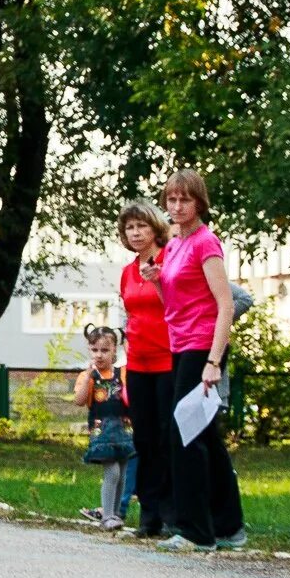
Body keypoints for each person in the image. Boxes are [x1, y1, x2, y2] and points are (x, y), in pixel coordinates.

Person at [147, 169, 245, 553]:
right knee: (205, 436)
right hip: (180, 343)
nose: (176, 206)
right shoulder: (173, 244)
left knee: (183, 433)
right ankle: (229, 526)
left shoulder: (207, 243)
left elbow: (226, 305)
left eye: (184, 199)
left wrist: (214, 361)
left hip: (203, 346)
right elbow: (173, 305)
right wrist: (156, 280)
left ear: (199, 202)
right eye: (171, 199)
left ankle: (196, 531)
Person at [116, 201, 172, 537]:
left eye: (141, 226)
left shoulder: (168, 261)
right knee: (145, 439)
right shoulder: (127, 271)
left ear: (154, 228)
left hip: (168, 359)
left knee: (167, 438)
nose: (135, 233)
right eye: (129, 228)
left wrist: (160, 282)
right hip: (137, 361)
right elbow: (129, 316)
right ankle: (149, 515)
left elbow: (180, 306)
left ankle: (171, 512)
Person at [73, 324, 134, 530]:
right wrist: (88, 378)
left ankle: (116, 515)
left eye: (104, 350)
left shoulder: (122, 373)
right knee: (113, 472)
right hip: (103, 432)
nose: (99, 355)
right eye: (95, 350)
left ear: (114, 350)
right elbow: (79, 401)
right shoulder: (88, 376)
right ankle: (107, 515)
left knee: (123, 474)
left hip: (124, 430)